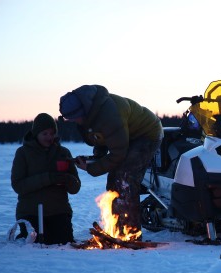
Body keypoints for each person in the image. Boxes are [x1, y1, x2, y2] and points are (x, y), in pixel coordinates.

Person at [58, 85, 163, 239]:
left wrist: (90, 168)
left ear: (81, 111)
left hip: (146, 134)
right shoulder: (91, 113)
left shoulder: (109, 114)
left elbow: (118, 154)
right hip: (125, 138)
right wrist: (97, 156)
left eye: (74, 118)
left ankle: (131, 233)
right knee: (113, 180)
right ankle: (116, 227)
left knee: (125, 179)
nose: (74, 121)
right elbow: (101, 137)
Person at [11, 113, 81, 245]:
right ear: (36, 134)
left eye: (52, 133)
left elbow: (75, 188)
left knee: (63, 244)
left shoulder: (63, 152)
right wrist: (49, 178)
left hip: (59, 211)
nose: (49, 137)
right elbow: (18, 185)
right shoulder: (23, 153)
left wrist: (68, 179)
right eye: (45, 134)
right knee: (35, 244)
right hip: (31, 212)